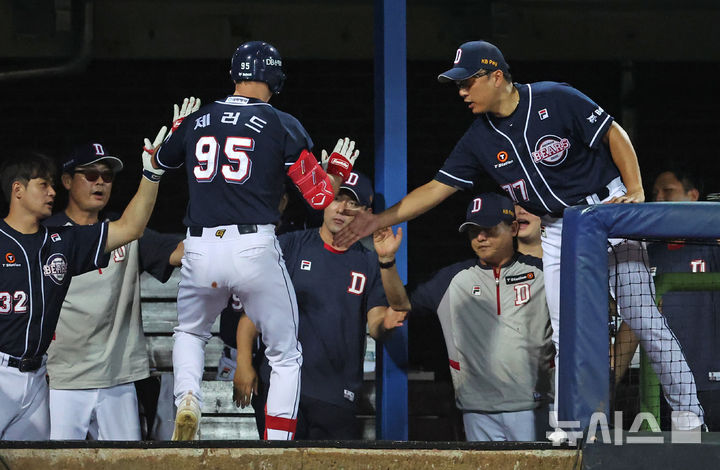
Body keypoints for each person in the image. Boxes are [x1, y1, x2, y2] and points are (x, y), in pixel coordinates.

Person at [334, 40, 704, 436]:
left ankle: (688, 413)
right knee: (566, 333)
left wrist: (634, 189)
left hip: (607, 211)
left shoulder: (554, 97)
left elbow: (614, 134)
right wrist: (378, 221)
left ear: (496, 76)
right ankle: (570, 424)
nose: (461, 91)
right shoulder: (478, 139)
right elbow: (435, 189)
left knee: (643, 318)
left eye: (468, 82)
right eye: (458, 85)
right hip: (560, 227)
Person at [152, 40, 360, 441]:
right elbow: (318, 198)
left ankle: (188, 399)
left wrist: (179, 134)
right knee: (284, 354)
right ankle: (278, 445)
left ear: (235, 76)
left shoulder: (199, 118)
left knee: (190, 332)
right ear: (275, 78)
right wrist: (333, 172)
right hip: (254, 247)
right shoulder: (282, 123)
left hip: (200, 246)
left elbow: (160, 162)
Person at [0, 120, 171, 440]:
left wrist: (151, 174)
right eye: (43, 185)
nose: (52, 192)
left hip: (38, 378)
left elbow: (130, 228)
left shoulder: (63, 241)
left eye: (53, 184)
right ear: (18, 190)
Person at [231, 171, 408, 439]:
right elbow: (254, 314)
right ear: (325, 201)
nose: (342, 208)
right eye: (336, 199)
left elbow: (376, 323)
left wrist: (385, 323)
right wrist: (244, 362)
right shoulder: (289, 246)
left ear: (365, 212)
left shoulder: (370, 262)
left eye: (353, 203)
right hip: (280, 387)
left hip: (337, 394)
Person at [43, 138, 187, 440]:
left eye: (107, 176)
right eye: (91, 175)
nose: (100, 183)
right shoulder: (46, 235)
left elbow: (179, 252)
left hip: (118, 379)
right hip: (63, 377)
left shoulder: (123, 230)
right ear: (67, 181)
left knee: (125, 462)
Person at [403, 193, 553, 441]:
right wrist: (386, 263)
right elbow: (401, 304)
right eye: (473, 231)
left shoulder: (542, 272)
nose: (481, 237)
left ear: (512, 228)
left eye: (489, 229)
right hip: (476, 409)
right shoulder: (453, 278)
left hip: (534, 405)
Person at [614, 168, 720, 430]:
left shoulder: (712, 246)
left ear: (693, 196)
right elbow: (634, 320)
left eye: (668, 191)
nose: (658, 198)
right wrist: (610, 379)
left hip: (712, 383)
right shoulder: (645, 252)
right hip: (659, 386)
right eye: (654, 193)